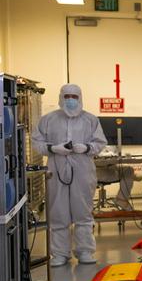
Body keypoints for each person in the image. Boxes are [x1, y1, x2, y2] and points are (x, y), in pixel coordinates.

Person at [33, 84, 107, 267]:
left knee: (83, 211)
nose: (71, 100)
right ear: (61, 97)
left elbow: (100, 142)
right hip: (56, 170)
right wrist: (52, 148)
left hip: (83, 171)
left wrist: (87, 148)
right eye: (67, 96)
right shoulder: (48, 120)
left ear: (80, 97)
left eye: (74, 96)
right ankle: (59, 254)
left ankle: (85, 251)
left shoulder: (91, 120)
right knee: (58, 212)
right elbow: (36, 142)